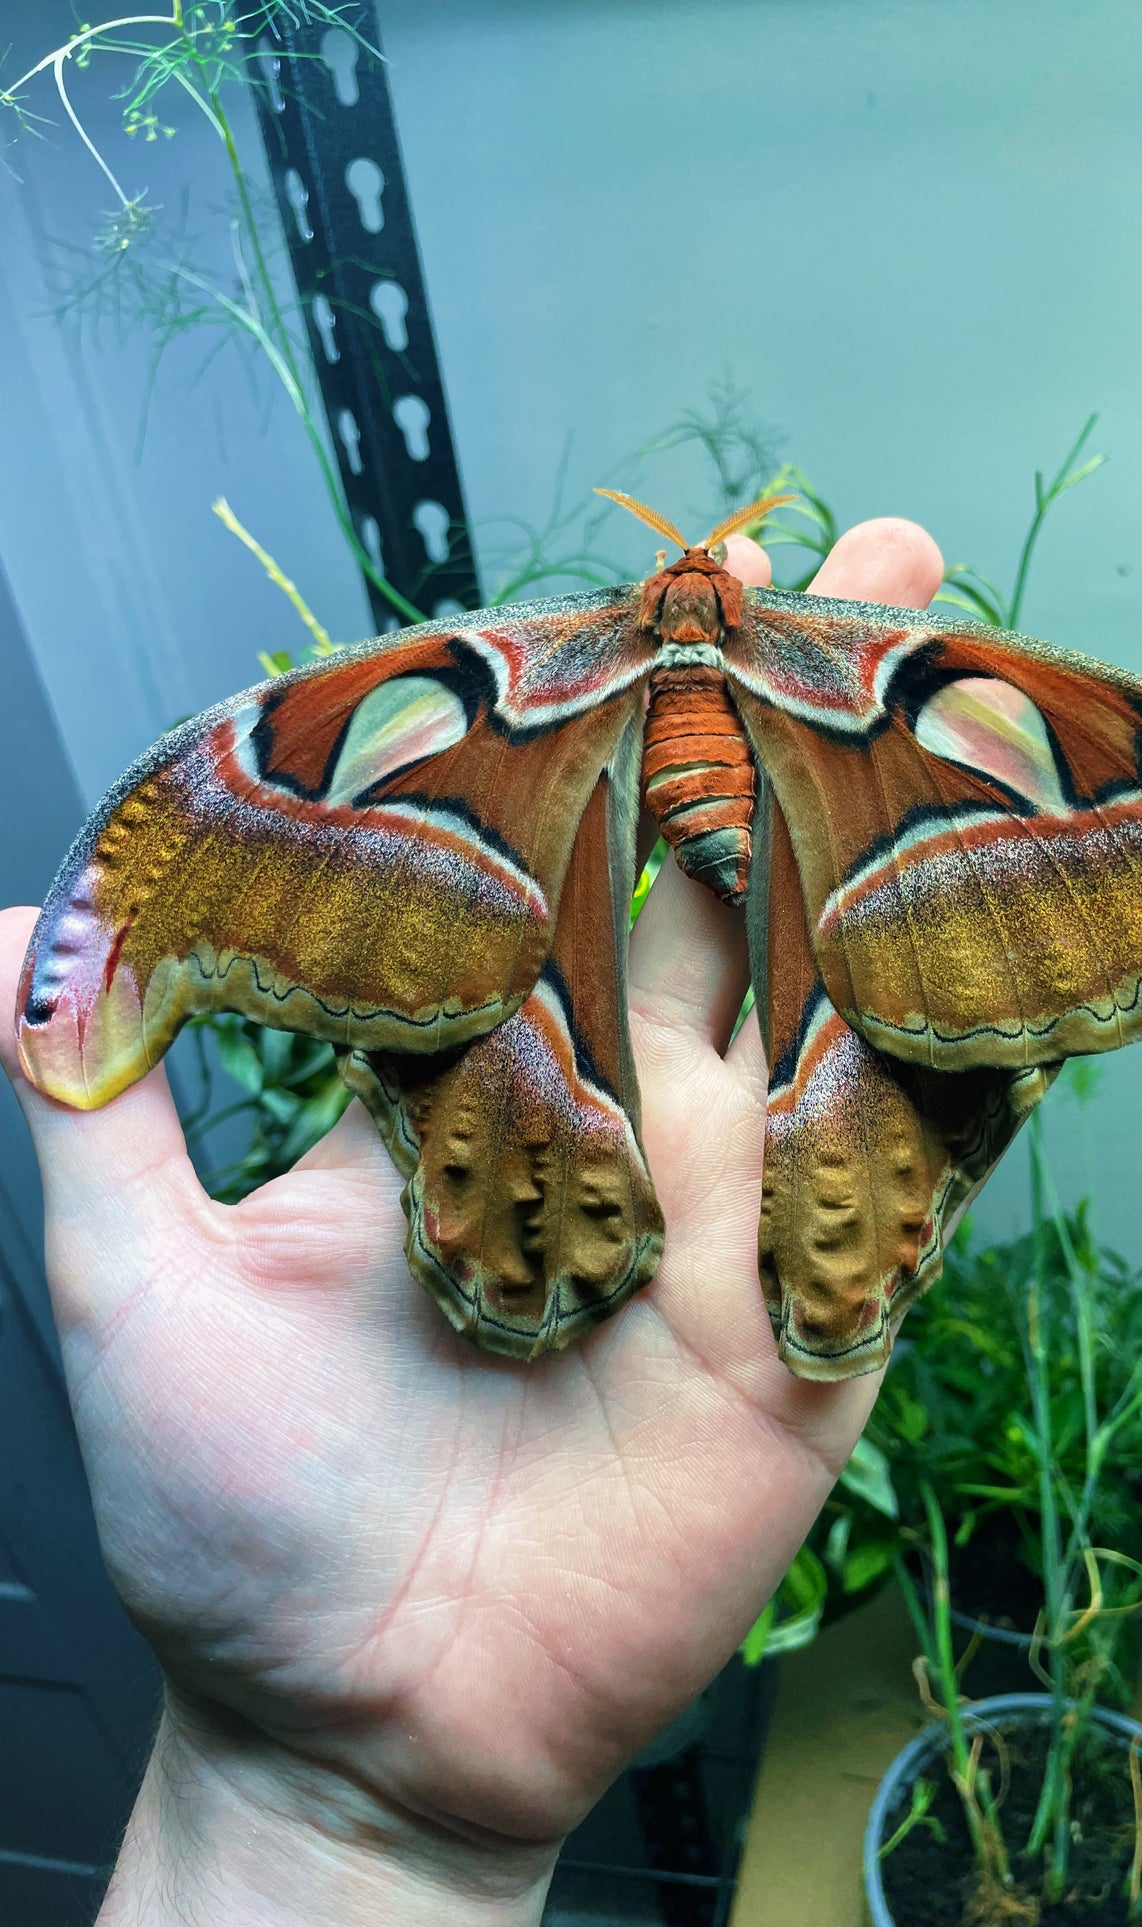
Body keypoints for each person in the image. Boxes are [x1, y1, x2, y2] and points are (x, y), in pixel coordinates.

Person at [0, 517, 946, 1926]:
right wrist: (315, 1787)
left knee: (837, 1077)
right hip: (690, 873)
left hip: (695, 825)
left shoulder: (512, 673)